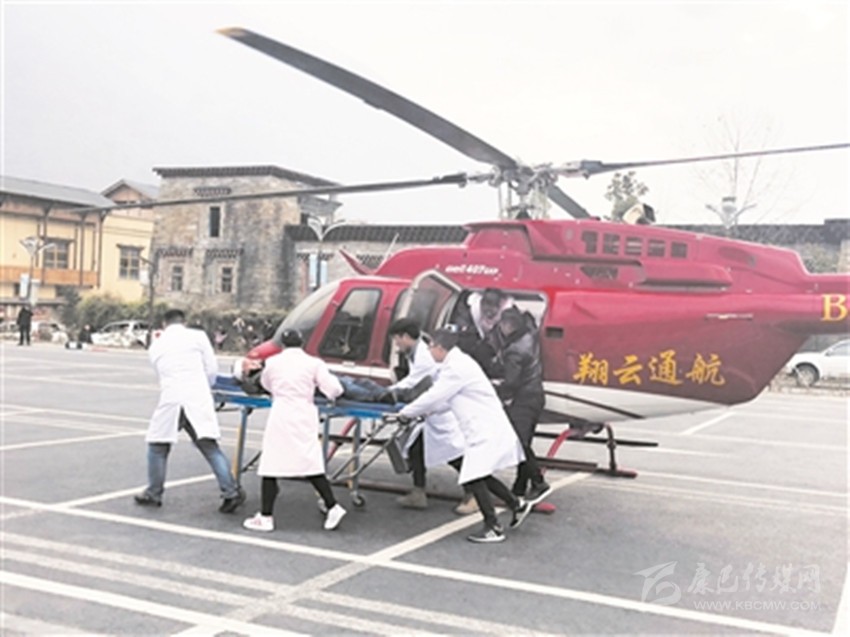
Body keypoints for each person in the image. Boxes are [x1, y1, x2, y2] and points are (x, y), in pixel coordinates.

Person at [397, 327, 532, 543]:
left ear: (440, 348)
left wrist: (406, 413)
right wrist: (427, 412)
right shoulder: (457, 364)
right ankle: (516, 504)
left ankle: (493, 527)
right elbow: (446, 400)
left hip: (485, 429)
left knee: (473, 475)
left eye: (430, 347)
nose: (429, 352)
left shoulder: (456, 369)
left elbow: (435, 395)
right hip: (484, 427)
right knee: (480, 474)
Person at [135, 308, 244, 512]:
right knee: (209, 447)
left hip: (171, 398)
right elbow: (211, 369)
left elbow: (160, 372)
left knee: (158, 446)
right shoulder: (198, 337)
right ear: (183, 322)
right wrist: (205, 387)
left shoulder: (157, 344)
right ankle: (231, 491)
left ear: (164, 324)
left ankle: (153, 492)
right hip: (197, 397)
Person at [242, 329, 348, 532]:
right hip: (305, 413)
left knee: (271, 465)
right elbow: (335, 390)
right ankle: (332, 505)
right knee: (310, 463)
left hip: (281, 413)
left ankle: (266, 516)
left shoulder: (273, 362)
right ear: (302, 343)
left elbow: (266, 384)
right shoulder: (314, 363)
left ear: (282, 344)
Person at [386, 318, 466, 510]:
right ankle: (418, 492)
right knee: (416, 450)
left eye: (397, 339)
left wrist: (388, 393)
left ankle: (474, 494)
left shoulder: (424, 355)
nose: (396, 344)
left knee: (453, 456)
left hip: (439, 412)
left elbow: (415, 382)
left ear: (406, 336)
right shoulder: (415, 352)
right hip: (429, 411)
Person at [491, 307, 552, 505]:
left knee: (518, 443)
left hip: (524, 400)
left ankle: (538, 482)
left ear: (507, 325)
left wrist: (495, 388)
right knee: (524, 442)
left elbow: (512, 382)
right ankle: (519, 486)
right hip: (536, 396)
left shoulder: (514, 350)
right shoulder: (530, 337)